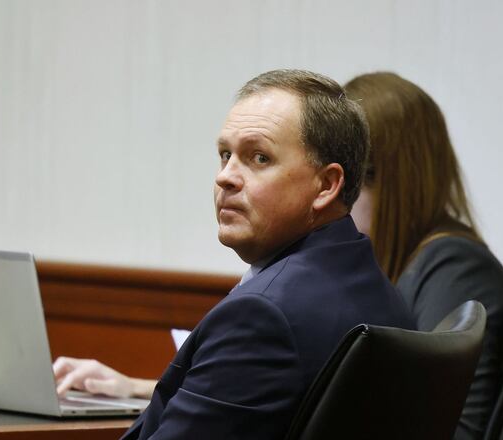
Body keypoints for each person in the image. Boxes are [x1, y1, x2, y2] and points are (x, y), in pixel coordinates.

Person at [58, 69, 414, 440]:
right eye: (225, 155)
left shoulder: (262, 317)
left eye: (259, 158)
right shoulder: (384, 296)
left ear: (325, 185)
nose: (226, 176)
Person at [344, 72, 503, 440]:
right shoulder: (422, 262)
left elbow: (451, 432)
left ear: (391, 182)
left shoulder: (455, 270)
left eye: (346, 179)